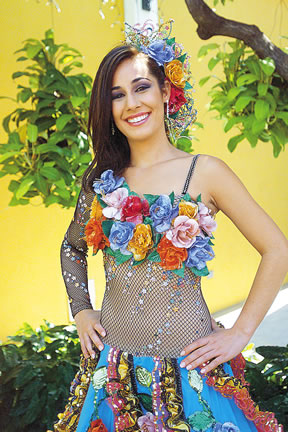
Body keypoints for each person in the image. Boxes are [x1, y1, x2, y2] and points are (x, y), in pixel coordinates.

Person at [54, 21, 288, 432]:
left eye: (142, 87)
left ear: (166, 92)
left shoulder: (205, 172)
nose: (131, 103)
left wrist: (241, 332)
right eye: (117, 95)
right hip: (113, 377)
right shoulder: (101, 178)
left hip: (192, 373)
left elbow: (277, 248)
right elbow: (72, 248)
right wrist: (81, 310)